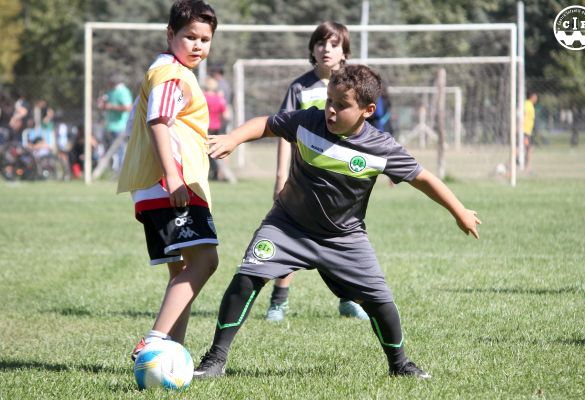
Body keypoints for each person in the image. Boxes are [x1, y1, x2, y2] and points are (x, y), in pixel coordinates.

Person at [194, 64, 481, 380]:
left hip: (344, 238)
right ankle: (214, 360)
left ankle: (400, 364)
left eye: (342, 105)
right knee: (248, 276)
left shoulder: (381, 147)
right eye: (329, 101)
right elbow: (267, 124)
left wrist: (460, 212)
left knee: (379, 299)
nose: (331, 110)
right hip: (287, 226)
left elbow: (423, 178)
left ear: (367, 111)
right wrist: (234, 138)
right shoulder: (308, 122)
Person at [116, 0, 220, 360]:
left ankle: (171, 353)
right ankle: (156, 339)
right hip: (171, 186)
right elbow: (158, 122)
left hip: (155, 187)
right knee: (206, 261)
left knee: (181, 269)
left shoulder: (166, 69)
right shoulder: (171, 73)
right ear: (170, 34)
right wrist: (174, 178)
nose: (197, 45)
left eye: (204, 39)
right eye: (189, 36)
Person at [267, 21, 369, 322]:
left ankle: (348, 299)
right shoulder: (300, 87)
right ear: (312, 49)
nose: (326, 49)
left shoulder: (353, 89)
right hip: (302, 180)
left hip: (340, 183)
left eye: (334, 44)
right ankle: (278, 302)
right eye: (321, 43)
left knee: (340, 237)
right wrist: (280, 177)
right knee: (289, 235)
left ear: (344, 52)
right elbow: (284, 131)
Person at [98, 74, 133, 174]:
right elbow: (104, 106)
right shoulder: (110, 91)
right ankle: (110, 171)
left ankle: (121, 172)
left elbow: (128, 107)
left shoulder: (123, 92)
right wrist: (102, 104)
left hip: (120, 126)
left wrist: (111, 106)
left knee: (120, 150)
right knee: (109, 151)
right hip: (109, 127)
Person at [204, 77, 235, 182]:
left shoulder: (203, 98)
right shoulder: (220, 99)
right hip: (218, 128)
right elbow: (226, 115)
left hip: (206, 128)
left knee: (205, 152)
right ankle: (223, 173)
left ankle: (211, 173)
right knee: (221, 151)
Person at [522, 92, 538, 173]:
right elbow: (523, 114)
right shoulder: (527, 104)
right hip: (524, 131)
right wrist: (519, 126)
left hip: (528, 131)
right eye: (535, 97)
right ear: (531, 97)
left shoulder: (531, 105)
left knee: (528, 148)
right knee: (527, 148)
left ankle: (526, 166)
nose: (536, 99)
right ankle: (526, 167)